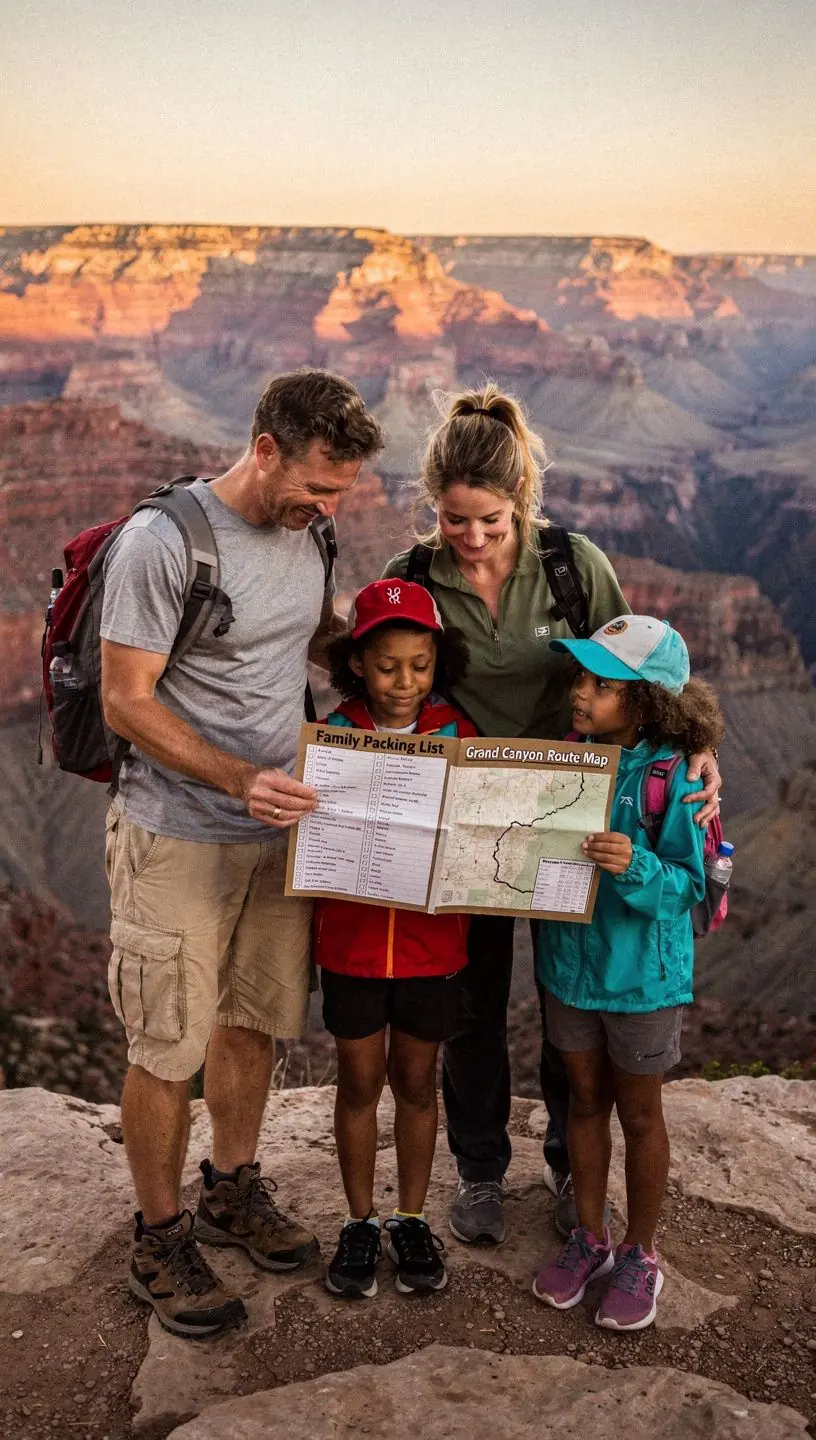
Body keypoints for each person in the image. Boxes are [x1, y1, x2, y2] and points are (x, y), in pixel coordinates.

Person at [382, 384, 722, 1246]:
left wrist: (698, 751)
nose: (471, 539)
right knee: (471, 1000)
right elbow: (383, 691)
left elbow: (644, 676)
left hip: (576, 804)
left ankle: (573, 1162)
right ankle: (483, 1169)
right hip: (467, 815)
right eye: (453, 521)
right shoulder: (413, 578)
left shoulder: (576, 566)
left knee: (565, 983)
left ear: (521, 498)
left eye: (489, 521)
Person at [100, 369, 383, 1338]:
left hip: (277, 829)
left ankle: (230, 1188)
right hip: (176, 833)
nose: (327, 506)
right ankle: (160, 1233)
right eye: (318, 484)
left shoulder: (313, 535)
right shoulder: (163, 542)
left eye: (340, 492)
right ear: (264, 448)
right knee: (166, 1043)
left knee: (253, 1021)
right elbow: (124, 700)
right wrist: (234, 780)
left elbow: (305, 643)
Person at [532, 615, 725, 1330]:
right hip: (570, 968)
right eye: (580, 678)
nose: (580, 693)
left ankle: (642, 1252)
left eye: (601, 685)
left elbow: (690, 885)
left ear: (645, 702)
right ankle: (590, 1235)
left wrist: (637, 865)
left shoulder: (674, 781)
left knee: (640, 1113)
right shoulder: (569, 758)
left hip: (642, 976)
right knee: (584, 1100)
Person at [313, 579, 477, 1299]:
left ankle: (410, 1217)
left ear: (437, 662)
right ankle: (359, 1222)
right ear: (357, 665)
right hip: (349, 948)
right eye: (386, 666)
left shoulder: (459, 736)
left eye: (419, 664)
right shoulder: (332, 738)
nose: (404, 682)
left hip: (430, 951)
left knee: (415, 1082)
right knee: (357, 1083)